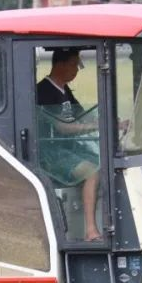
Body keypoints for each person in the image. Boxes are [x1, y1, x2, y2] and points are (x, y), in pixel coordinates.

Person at [36, 48, 102, 241]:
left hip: (68, 148)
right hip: (51, 152)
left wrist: (113, 120)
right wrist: (97, 125)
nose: (77, 69)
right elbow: (64, 127)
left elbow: (83, 115)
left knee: (105, 162)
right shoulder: (43, 92)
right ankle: (90, 231)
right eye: (74, 64)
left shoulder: (64, 90)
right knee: (91, 171)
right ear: (60, 64)